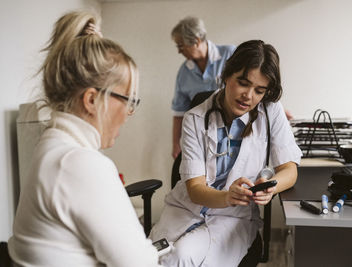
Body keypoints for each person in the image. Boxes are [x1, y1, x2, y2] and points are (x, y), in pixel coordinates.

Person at [8, 11, 162, 267]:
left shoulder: (51, 145)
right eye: (128, 100)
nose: (128, 113)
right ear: (91, 100)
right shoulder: (80, 164)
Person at [150, 40, 302, 266]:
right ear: (227, 75)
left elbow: (290, 170)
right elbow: (196, 189)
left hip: (233, 217)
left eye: (259, 90)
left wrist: (270, 187)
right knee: (153, 259)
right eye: (243, 83)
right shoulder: (195, 118)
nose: (248, 96)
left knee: (183, 256)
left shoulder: (271, 112)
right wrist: (226, 196)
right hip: (187, 207)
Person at [170, 16, 236, 159]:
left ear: (196, 40)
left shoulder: (230, 54)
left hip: (233, 132)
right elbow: (179, 112)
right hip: (200, 137)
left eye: (180, 45)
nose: (179, 51)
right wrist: (176, 143)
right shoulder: (184, 72)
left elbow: (251, 85)